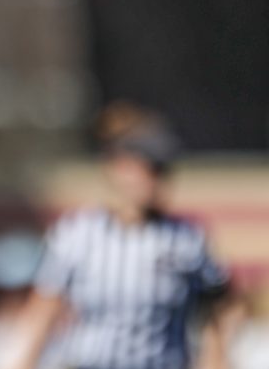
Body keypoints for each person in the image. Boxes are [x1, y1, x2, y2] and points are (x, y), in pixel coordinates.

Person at [13, 102, 232, 369]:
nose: (153, 179)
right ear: (116, 168)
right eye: (145, 167)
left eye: (160, 169)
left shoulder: (186, 240)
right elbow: (42, 314)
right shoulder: (77, 234)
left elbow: (217, 313)